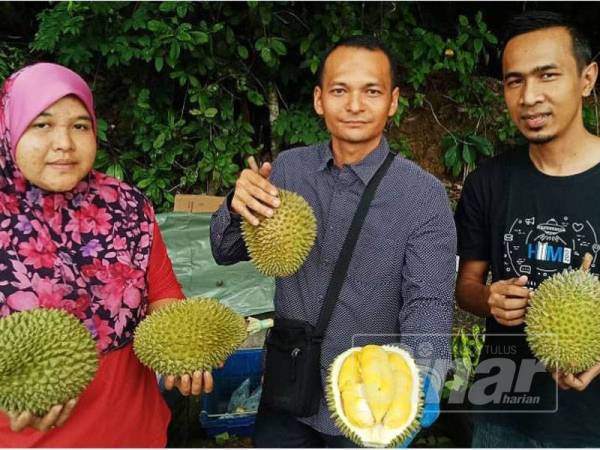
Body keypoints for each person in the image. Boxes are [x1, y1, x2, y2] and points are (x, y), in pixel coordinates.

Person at [210, 35, 456, 447]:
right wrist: (236, 207)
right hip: (288, 390)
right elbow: (225, 250)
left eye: (372, 91)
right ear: (320, 100)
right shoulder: (288, 170)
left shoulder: (422, 195)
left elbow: (427, 300)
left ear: (393, 101)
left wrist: (423, 375)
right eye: (341, 90)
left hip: (368, 402)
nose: (355, 105)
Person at [0, 62, 213, 447]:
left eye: (80, 125)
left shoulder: (126, 206)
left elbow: (162, 295)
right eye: (42, 124)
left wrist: (183, 349)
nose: (64, 143)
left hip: (137, 432)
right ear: (11, 127)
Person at [455, 10, 600, 447]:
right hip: (502, 410)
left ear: (587, 79)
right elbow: (466, 286)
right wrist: (489, 299)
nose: (529, 96)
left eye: (547, 75)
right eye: (514, 81)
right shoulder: (489, 181)